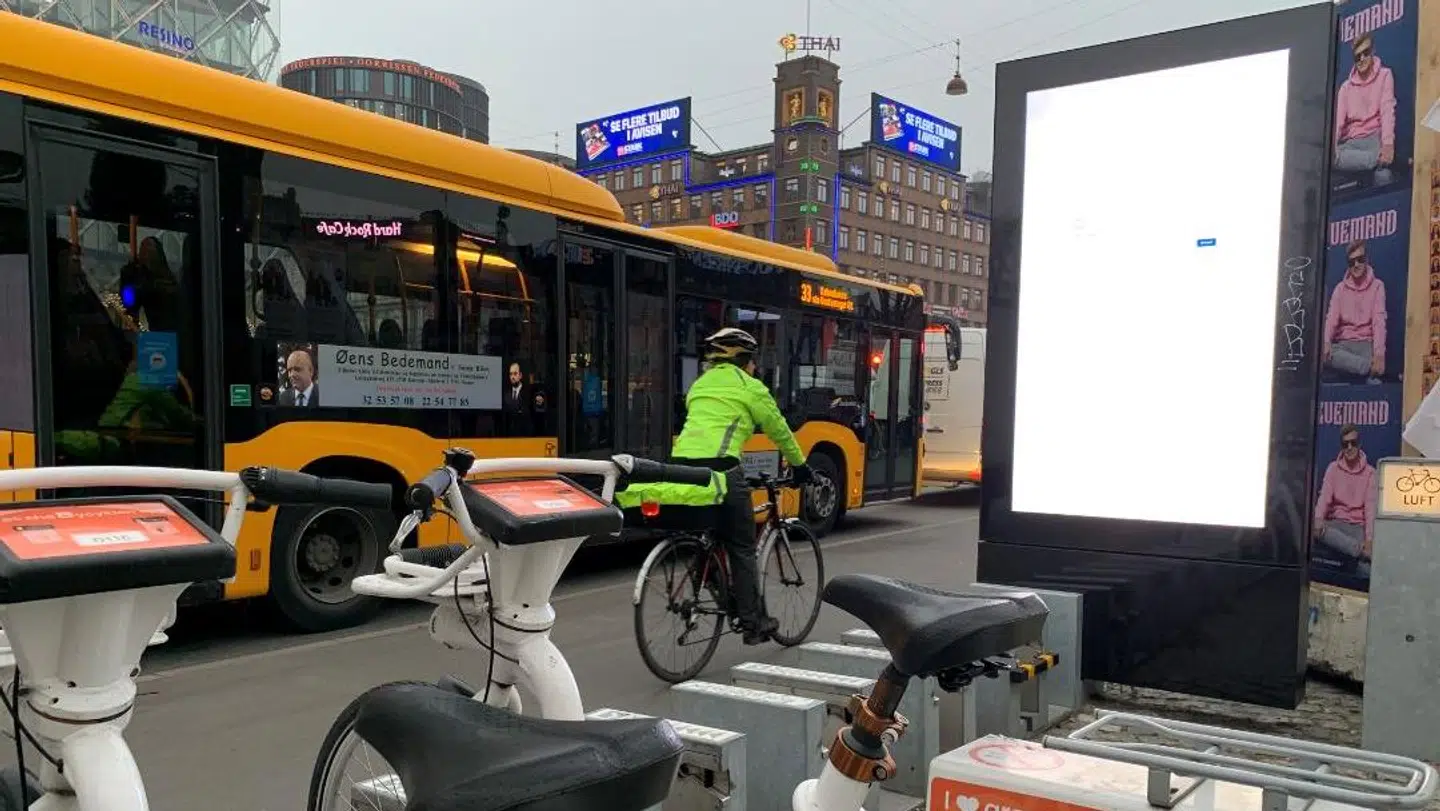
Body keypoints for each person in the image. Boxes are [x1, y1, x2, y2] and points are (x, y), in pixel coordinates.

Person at [618, 327, 813, 644]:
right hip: (722, 470)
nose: (754, 366)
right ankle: (752, 623)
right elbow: (779, 430)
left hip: (680, 469)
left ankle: (710, 577)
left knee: (708, 531)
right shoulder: (751, 388)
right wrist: (801, 466)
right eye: (752, 360)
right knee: (742, 544)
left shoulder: (699, 386)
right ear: (744, 360)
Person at [1333, 32, 1397, 187]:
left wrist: (1388, 145)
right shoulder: (1345, 88)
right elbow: (1338, 124)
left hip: (1374, 139)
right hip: (1352, 144)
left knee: (1383, 176)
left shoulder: (1385, 75)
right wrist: (1332, 147)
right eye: (1357, 56)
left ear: (1372, 52)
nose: (1361, 59)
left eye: (1365, 53)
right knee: (1331, 157)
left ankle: (1381, 158)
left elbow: (1387, 111)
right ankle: (1378, 160)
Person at [1312, 423, 1376, 578]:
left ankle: (1361, 552)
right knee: (1311, 526)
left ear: (1359, 444)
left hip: (1358, 527)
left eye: (1353, 443)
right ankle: (1358, 551)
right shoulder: (1333, 468)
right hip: (1336, 525)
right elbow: (1324, 498)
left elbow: (1371, 509)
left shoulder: (1370, 473)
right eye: (1345, 444)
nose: (1349, 447)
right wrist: (1318, 520)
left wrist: (1369, 539)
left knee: (1365, 570)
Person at [1323, 239, 1387, 379]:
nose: (1356, 265)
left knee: (1372, 360)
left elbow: (1379, 322)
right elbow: (1331, 319)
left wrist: (1379, 354)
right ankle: (1368, 370)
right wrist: (1326, 342)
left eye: (1360, 259)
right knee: (1325, 352)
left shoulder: (1377, 286)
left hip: (1366, 345)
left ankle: (1367, 370)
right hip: (1344, 345)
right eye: (1352, 262)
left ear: (1367, 260)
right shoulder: (1340, 289)